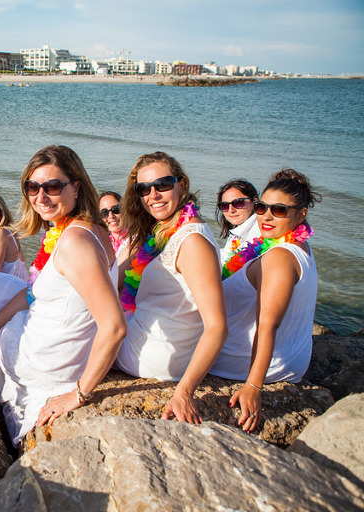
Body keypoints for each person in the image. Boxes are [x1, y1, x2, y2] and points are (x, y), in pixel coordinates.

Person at [0, 145, 126, 446]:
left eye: (52, 186)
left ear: (76, 186)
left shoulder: (75, 242)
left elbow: (115, 327)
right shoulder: (85, 228)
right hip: (52, 335)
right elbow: (32, 292)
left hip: (45, 358)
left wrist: (79, 395)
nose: (41, 197)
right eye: (32, 187)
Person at [114, 151, 227, 423]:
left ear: (183, 185)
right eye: (143, 189)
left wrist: (184, 392)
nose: (152, 195)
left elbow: (218, 327)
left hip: (156, 353)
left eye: (162, 185)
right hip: (148, 334)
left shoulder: (192, 243)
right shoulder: (169, 230)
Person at [211, 169, 320, 433]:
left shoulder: (279, 258)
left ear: (301, 213)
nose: (266, 216)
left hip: (244, 360)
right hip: (292, 358)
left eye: (279, 210)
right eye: (262, 207)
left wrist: (253, 386)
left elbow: (267, 326)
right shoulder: (298, 247)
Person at [216, 179, 260, 265]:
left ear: (254, 202)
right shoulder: (238, 231)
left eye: (238, 203)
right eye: (224, 206)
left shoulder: (259, 232)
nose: (231, 210)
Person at [99, 190, 131, 268]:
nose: (111, 216)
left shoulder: (138, 239)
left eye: (116, 209)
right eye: (104, 212)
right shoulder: (101, 245)